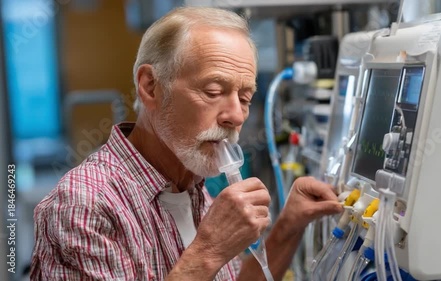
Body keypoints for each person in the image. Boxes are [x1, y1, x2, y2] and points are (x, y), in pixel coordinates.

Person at [31, 6, 343, 281]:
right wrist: (209, 250)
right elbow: (204, 261)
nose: (236, 115)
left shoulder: (192, 187)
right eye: (213, 91)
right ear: (151, 87)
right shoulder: (84, 206)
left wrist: (289, 224)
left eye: (245, 98)